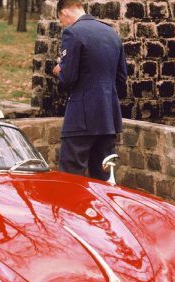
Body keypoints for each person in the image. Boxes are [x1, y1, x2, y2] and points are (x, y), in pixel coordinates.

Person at [52, 0, 127, 181]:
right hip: (108, 116)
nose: (63, 24)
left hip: (80, 117)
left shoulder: (73, 33)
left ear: (64, 12)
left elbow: (68, 78)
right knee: (104, 177)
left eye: (61, 20)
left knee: (71, 175)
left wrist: (58, 70)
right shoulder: (111, 33)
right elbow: (121, 78)